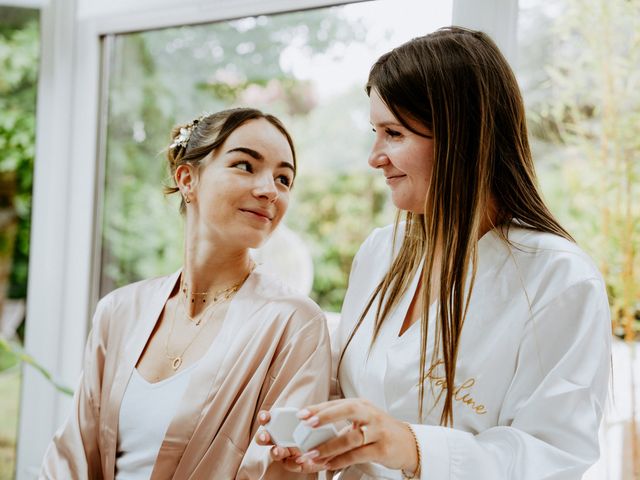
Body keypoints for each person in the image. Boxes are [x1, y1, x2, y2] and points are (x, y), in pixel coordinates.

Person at [256, 27, 611, 479]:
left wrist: (411, 446)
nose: (375, 156)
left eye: (394, 133)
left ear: (460, 136)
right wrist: (309, 435)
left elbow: (552, 457)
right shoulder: (379, 254)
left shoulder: (557, 279)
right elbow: (350, 398)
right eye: (375, 132)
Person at [41, 108, 331, 479]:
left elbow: (284, 469)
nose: (269, 190)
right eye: (245, 165)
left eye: (284, 178)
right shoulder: (119, 311)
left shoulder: (294, 324)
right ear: (187, 179)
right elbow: (72, 456)